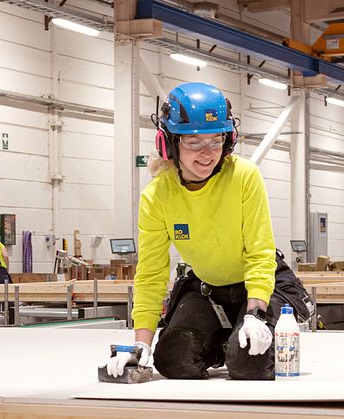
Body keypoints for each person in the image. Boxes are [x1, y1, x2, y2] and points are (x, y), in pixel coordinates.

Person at [101, 82, 313, 380]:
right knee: (174, 359)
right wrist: (138, 346)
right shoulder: (157, 196)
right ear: (169, 143)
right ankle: (225, 339)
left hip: (264, 286)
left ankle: (242, 334)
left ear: (228, 141)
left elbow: (259, 253)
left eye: (216, 141)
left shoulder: (244, 176)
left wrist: (254, 314)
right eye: (194, 142)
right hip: (210, 289)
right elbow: (151, 274)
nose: (207, 153)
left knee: (248, 364)